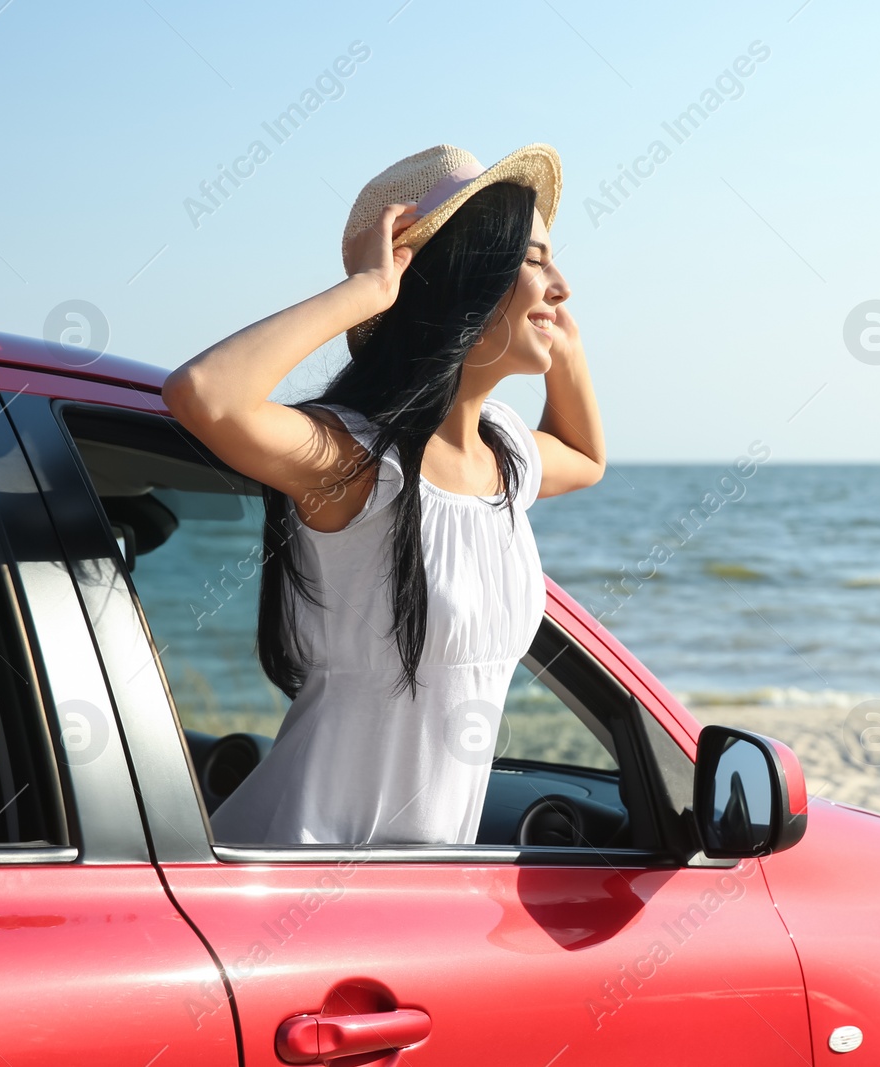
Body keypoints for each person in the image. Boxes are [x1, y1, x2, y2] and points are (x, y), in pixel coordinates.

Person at [162, 143, 606, 845]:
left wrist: (558, 326)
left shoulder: (504, 457)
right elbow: (205, 395)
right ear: (465, 277)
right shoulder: (362, 463)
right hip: (304, 874)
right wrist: (367, 294)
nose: (562, 283)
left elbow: (585, 455)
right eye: (534, 258)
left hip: (413, 896)